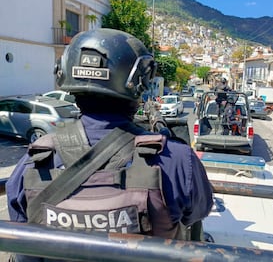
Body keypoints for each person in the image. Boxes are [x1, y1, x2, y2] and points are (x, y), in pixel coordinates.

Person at [6, 28, 213, 261]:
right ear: (140, 83)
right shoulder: (176, 159)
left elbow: (22, 244)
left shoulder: (34, 160)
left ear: (64, 74)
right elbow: (197, 213)